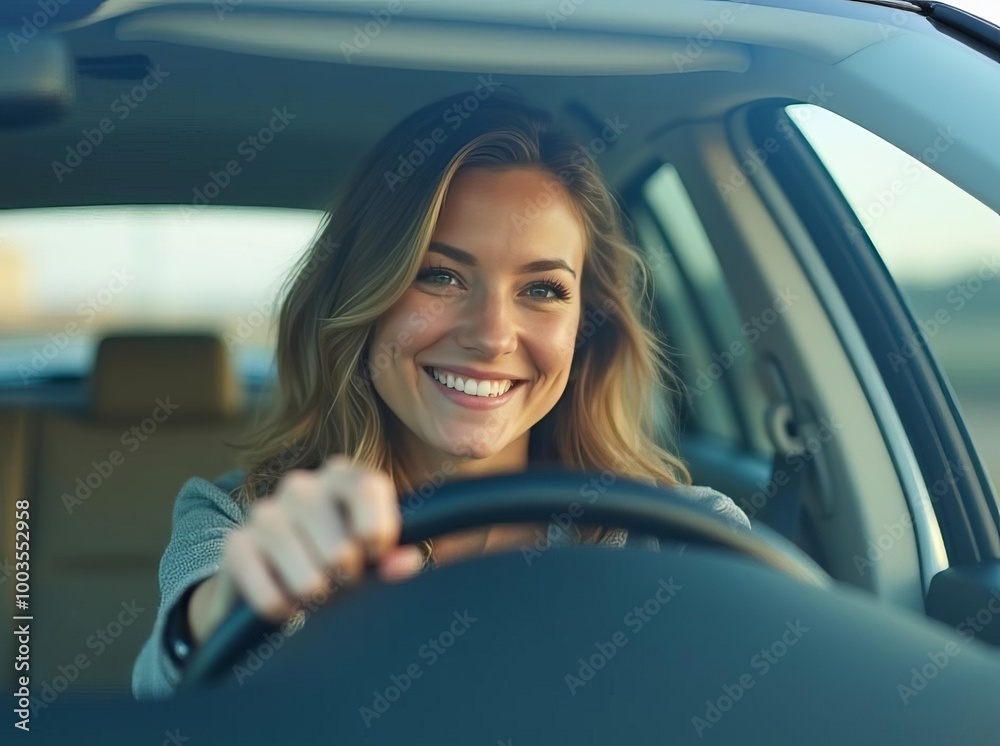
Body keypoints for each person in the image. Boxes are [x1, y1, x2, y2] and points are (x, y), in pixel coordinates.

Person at [131, 88, 751, 700]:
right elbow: (167, 688)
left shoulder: (681, 537)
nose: (490, 336)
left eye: (542, 290)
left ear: (588, 326)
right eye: (440, 275)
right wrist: (229, 612)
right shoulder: (243, 519)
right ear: (362, 299)